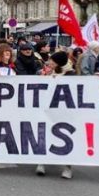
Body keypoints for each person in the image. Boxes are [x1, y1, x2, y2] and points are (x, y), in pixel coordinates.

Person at [35, 51, 74, 179]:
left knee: (65, 137)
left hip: (64, 111)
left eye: (52, 60)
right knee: (43, 134)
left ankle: (67, 167)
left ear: (58, 63)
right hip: (47, 109)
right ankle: (42, 162)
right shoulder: (45, 72)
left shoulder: (70, 74)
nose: (49, 62)